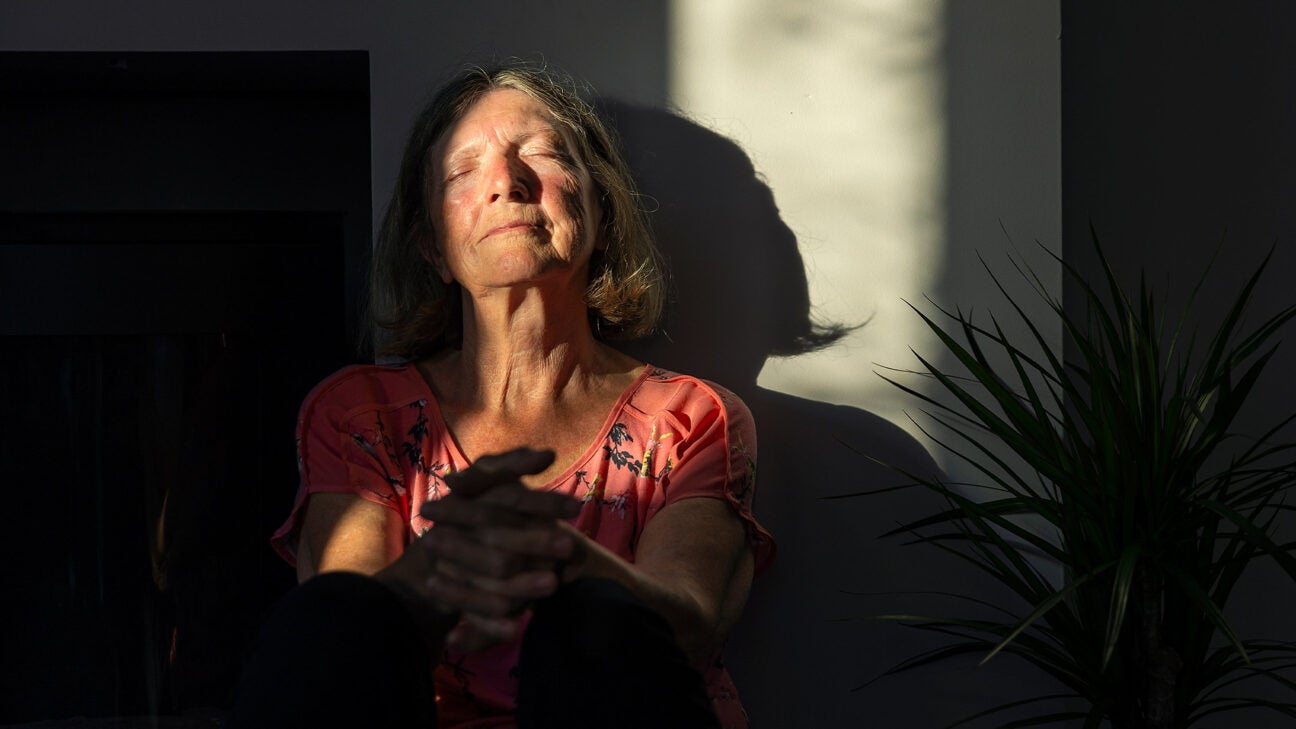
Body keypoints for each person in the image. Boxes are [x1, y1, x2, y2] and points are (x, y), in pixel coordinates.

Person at [233, 63, 773, 729]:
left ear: (600, 213)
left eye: (543, 154)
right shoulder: (360, 411)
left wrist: (565, 560)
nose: (507, 183)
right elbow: (344, 644)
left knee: (598, 617)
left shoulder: (691, 417)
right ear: (432, 244)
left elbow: (692, 623)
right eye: (463, 170)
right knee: (331, 615)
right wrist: (454, 556)